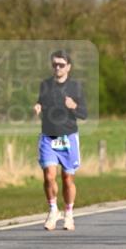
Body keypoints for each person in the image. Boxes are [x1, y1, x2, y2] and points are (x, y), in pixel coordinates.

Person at [35, 49, 88, 231]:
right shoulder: (45, 85)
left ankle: (69, 213)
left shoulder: (75, 87)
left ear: (68, 67)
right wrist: (38, 106)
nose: (57, 68)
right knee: (49, 176)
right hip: (48, 137)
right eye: (54, 64)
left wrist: (73, 106)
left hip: (68, 137)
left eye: (61, 65)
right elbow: (41, 101)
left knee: (67, 178)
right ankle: (52, 210)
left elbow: (84, 114)